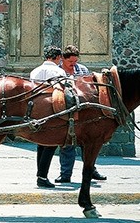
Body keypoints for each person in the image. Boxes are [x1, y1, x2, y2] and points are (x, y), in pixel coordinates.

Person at [55, 45, 107, 183]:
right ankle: (65, 174)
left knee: (88, 144)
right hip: (66, 109)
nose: (73, 65)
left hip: (84, 110)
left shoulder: (82, 69)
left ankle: (92, 170)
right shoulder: (57, 70)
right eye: (70, 62)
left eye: (75, 62)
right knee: (68, 143)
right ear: (63, 60)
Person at [30, 45, 66, 188]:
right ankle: (42, 176)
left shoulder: (35, 71)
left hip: (35, 110)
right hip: (52, 110)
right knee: (50, 144)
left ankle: (40, 174)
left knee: (41, 143)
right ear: (57, 57)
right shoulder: (58, 71)